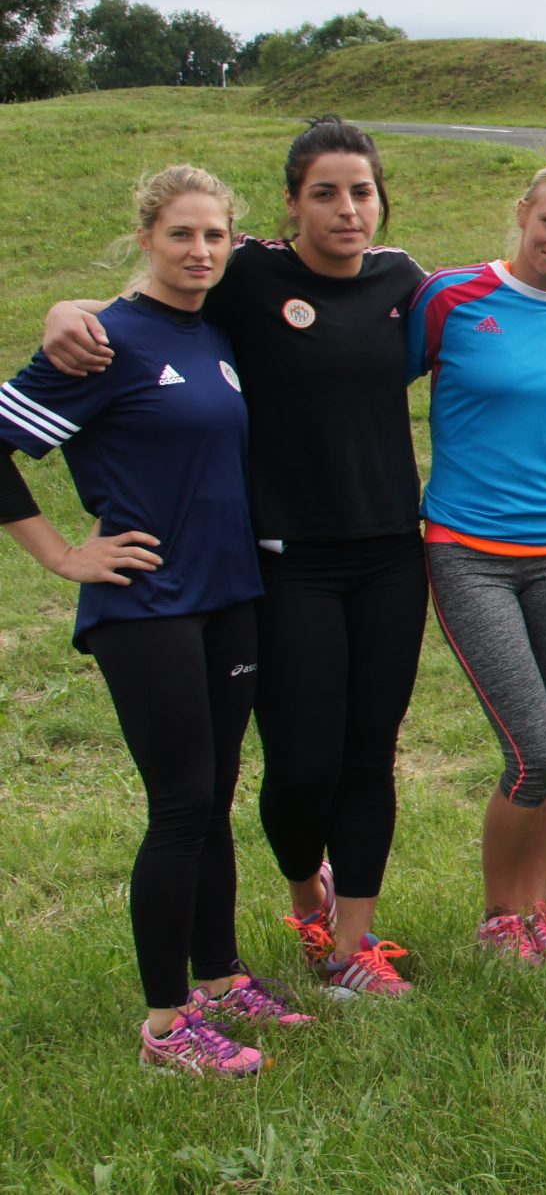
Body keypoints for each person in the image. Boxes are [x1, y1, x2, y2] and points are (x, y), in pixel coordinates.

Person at [40, 118, 434, 999]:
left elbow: (494, 300)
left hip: (388, 555)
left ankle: (352, 949)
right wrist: (66, 310)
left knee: (370, 753)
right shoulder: (247, 275)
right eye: (325, 193)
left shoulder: (404, 280)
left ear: (381, 200)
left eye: (362, 191)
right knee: (301, 764)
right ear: (291, 204)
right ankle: (305, 895)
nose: (346, 208)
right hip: (283, 561)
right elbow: (152, 304)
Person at [2, 166, 307, 1075]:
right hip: (147, 607)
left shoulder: (215, 332)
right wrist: (63, 554)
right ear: (145, 238)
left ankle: (219, 978)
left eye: (214, 235)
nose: (200, 251)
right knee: (179, 803)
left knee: (213, 797)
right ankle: (168, 1027)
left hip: (229, 597)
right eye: (181, 234)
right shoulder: (105, 340)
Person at [409, 159, 546, 963]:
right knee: (536, 749)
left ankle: (537, 912)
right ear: (523, 213)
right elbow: (364, 375)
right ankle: (498, 917)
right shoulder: (451, 297)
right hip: (468, 552)